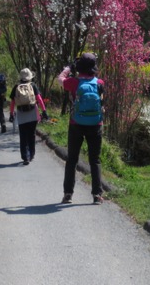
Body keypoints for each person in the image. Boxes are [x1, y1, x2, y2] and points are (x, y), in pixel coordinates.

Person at [59, 53, 104, 204]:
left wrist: (67, 70)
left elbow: (60, 80)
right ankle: (97, 195)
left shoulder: (73, 82)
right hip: (95, 125)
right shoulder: (99, 82)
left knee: (72, 160)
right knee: (95, 161)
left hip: (76, 124)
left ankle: (68, 194)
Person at [8, 68, 49, 165]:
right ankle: (31, 154)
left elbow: (12, 102)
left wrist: (11, 113)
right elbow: (39, 99)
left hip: (21, 114)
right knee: (32, 134)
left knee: (23, 136)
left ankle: (25, 156)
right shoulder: (33, 85)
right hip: (32, 113)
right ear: (30, 77)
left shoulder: (16, 87)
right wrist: (44, 111)